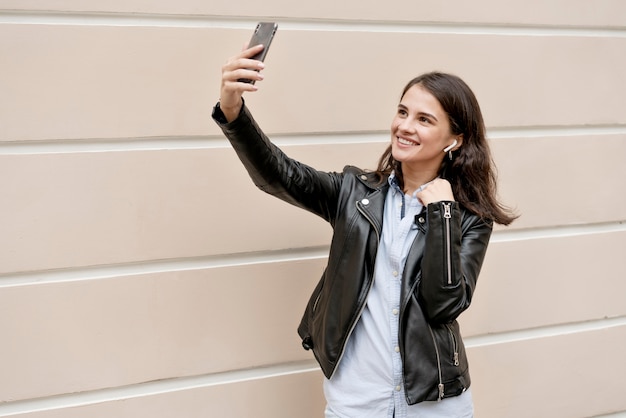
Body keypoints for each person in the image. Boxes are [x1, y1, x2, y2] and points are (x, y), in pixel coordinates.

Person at [213, 44, 517, 418]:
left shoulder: (468, 217)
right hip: (356, 402)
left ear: (455, 140)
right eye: (403, 112)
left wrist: (443, 214)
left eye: (424, 119)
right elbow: (279, 174)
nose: (405, 126)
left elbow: (443, 304)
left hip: (434, 404)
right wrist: (232, 109)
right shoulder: (354, 195)